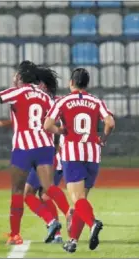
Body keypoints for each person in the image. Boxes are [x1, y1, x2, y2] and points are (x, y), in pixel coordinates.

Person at [0, 61, 67, 245]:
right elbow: (53, 122)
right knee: (49, 188)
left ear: (21, 77)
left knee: (18, 191)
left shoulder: (17, 92)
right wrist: (56, 144)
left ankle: (15, 235)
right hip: (44, 147)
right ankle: (67, 213)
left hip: (23, 149)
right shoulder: (46, 97)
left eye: (16, 74)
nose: (13, 77)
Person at [44, 68, 115, 253]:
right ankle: (73, 240)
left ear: (71, 82)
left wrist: (61, 131)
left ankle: (93, 223)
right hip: (92, 154)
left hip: (72, 155)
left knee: (77, 200)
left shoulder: (64, 101)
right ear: (87, 84)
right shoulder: (96, 101)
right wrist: (103, 139)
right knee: (81, 202)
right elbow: (110, 123)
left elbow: (47, 125)